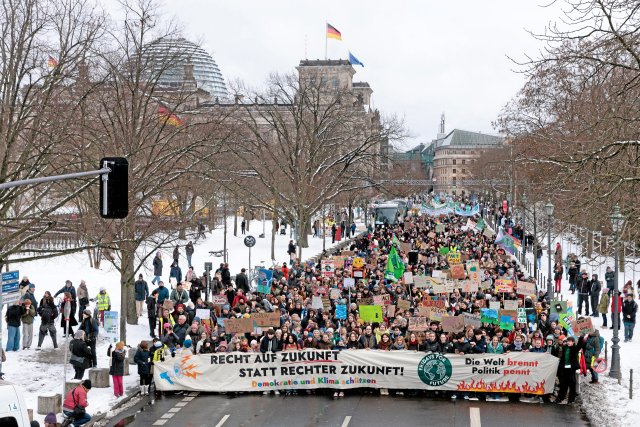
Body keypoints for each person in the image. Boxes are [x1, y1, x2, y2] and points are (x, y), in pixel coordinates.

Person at [554, 335, 584, 404]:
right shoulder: (564, 348)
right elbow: (562, 357)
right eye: (568, 341)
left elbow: (580, 345)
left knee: (572, 385)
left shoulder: (575, 348)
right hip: (564, 369)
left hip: (571, 369)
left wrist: (581, 337)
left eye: (570, 341)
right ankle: (560, 398)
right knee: (563, 384)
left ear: (573, 342)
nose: (568, 342)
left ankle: (571, 400)